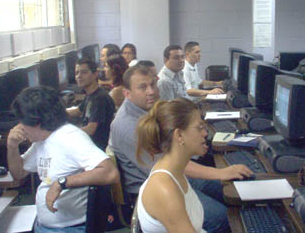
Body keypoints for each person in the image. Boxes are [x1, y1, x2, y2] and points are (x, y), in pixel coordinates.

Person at [109, 65, 252, 233]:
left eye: (153, 85)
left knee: (229, 189)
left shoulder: (149, 112)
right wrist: (221, 172)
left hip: (176, 174)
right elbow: (168, 161)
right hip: (154, 189)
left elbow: (173, 160)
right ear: (127, 93)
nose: (151, 91)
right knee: (222, 217)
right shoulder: (127, 126)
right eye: (142, 87)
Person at [7, 86, 119, 233]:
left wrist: (62, 183)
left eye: (22, 121)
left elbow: (110, 173)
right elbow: (19, 173)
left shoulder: (70, 137)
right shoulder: (42, 140)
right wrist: (12, 147)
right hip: (46, 225)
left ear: (36, 122)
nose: (20, 127)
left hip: (70, 228)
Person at [136, 98, 207, 233]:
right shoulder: (164, 188)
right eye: (199, 128)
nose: (205, 133)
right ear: (179, 135)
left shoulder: (175, 169)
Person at [67, 58, 115, 150]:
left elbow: (90, 129)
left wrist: (67, 134)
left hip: (97, 147)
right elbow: (78, 110)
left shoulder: (99, 98)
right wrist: (57, 112)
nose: (79, 76)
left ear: (95, 74)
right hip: (91, 144)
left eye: (84, 72)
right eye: (77, 73)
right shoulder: (91, 94)